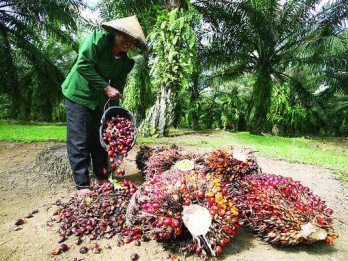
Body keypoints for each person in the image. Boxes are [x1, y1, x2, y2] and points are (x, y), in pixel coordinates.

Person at [61, 16, 148, 196]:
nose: (128, 43)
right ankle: (83, 185)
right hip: (78, 94)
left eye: (133, 41)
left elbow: (117, 86)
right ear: (117, 33)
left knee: (101, 139)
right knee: (80, 140)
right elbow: (83, 65)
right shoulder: (97, 40)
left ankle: (101, 177)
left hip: (101, 101)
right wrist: (106, 87)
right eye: (126, 37)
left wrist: (114, 116)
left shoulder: (126, 62)